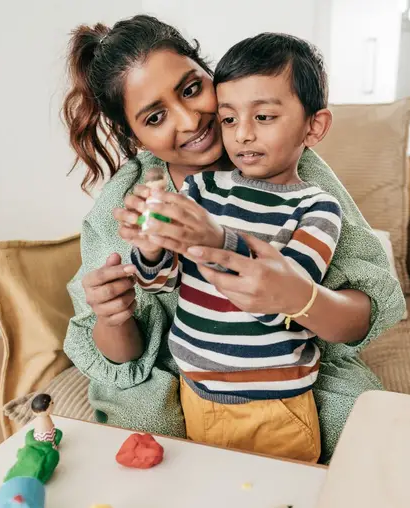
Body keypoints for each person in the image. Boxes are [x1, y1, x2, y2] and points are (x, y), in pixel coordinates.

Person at [61, 15, 405, 463]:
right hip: (178, 374)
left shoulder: (287, 168)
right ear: (134, 136)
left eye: (190, 89)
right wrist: (114, 316)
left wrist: (294, 294)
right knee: (156, 451)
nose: (190, 120)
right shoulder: (129, 204)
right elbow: (128, 346)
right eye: (156, 116)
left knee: (365, 440)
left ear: (211, 74)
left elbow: (359, 311)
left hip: (283, 369)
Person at [125, 33, 345, 462]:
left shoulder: (317, 208)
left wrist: (215, 240)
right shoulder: (202, 188)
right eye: (228, 119)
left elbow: (279, 301)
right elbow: (161, 283)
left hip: (274, 406)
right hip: (197, 394)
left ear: (313, 126)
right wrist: (151, 248)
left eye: (263, 117)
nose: (242, 135)